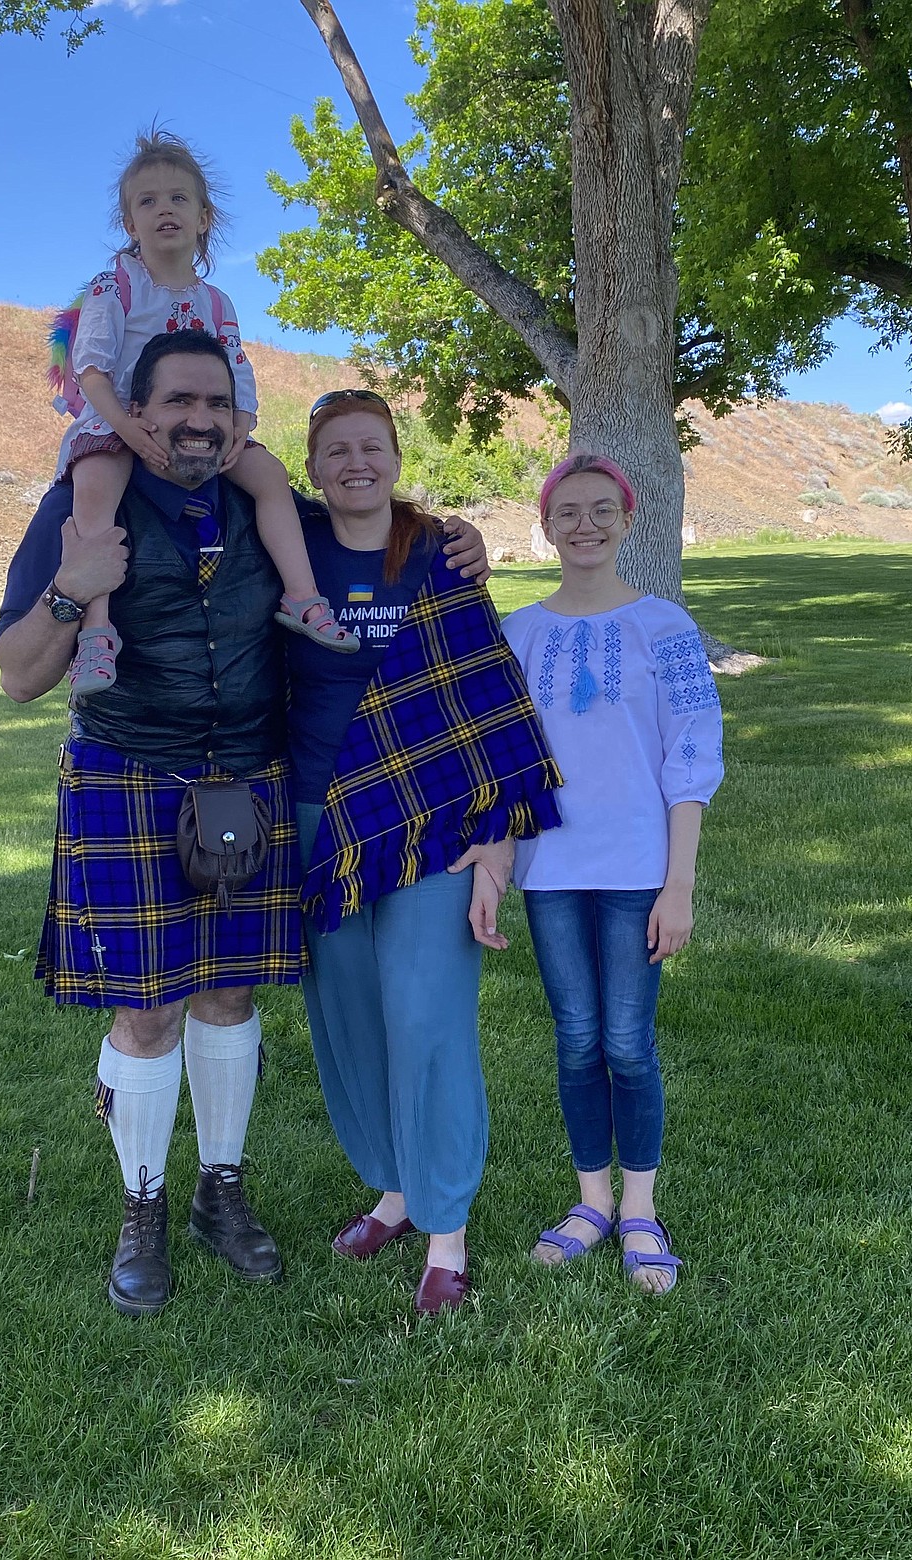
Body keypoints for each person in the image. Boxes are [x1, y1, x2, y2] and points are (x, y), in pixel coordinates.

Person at [0, 330, 308, 1317]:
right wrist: (71, 586)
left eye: (216, 401)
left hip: (248, 780)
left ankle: (223, 1190)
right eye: (177, 401)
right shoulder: (80, 504)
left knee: (229, 998)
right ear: (138, 408)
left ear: (239, 412)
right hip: (128, 775)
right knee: (148, 1009)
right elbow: (17, 674)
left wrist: (449, 542)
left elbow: (371, 549)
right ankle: (143, 1207)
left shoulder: (269, 507)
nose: (199, 420)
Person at [289, 388, 563, 1316]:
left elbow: (486, 703)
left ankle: (446, 1230)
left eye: (371, 446)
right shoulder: (285, 540)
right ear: (313, 464)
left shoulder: (442, 552)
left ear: (397, 455)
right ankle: (395, 1193)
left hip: (434, 824)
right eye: (335, 450)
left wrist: (496, 848)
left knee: (429, 1019)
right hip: (318, 817)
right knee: (350, 1018)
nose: (354, 463)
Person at [501, 453, 724, 1296]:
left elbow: (692, 754)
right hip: (551, 868)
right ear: (547, 525)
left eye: (602, 510)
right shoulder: (520, 633)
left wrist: (680, 884)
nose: (585, 525)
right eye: (568, 512)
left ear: (629, 521)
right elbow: (506, 760)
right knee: (576, 1038)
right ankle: (590, 1202)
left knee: (628, 1044)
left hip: (639, 868)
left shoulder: (664, 627)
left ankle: (640, 1209)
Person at [53, 126, 356, 697]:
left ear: (202, 218)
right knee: (96, 485)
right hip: (123, 419)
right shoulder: (116, 285)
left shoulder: (216, 301)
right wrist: (128, 429)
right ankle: (96, 631)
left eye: (178, 199)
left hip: (202, 430)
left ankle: (302, 596)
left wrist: (240, 427)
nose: (163, 210)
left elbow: (237, 369)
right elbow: (90, 367)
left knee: (267, 475)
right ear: (129, 224)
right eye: (147, 201)